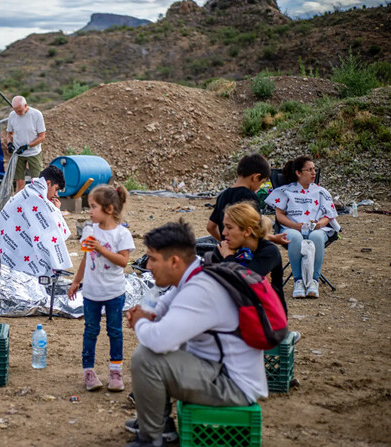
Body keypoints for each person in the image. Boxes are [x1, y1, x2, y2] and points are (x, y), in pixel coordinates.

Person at [124, 220, 267, 447]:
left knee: (146, 358)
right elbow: (160, 309)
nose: (148, 266)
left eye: (152, 259)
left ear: (174, 261)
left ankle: (151, 439)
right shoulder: (197, 273)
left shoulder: (200, 289)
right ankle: (161, 426)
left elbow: (159, 340)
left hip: (233, 385)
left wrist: (140, 322)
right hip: (219, 369)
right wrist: (144, 314)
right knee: (165, 343)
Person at [68, 184, 134, 392]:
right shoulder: (91, 231)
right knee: (91, 330)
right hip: (92, 293)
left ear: (109, 209)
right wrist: (77, 281)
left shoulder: (121, 235)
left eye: (93, 206)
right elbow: (87, 258)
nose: (90, 211)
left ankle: (116, 372)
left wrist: (100, 248)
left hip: (114, 292)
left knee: (114, 331)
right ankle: (89, 371)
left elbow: (123, 261)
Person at [264, 156, 339, 298]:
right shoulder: (286, 191)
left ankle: (313, 282)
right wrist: (295, 226)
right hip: (291, 227)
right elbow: (279, 215)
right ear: (298, 173)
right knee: (295, 237)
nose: (314, 173)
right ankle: (298, 281)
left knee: (316, 237)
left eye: (314, 169)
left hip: (317, 229)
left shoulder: (321, 191)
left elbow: (328, 215)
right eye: (309, 170)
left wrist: (320, 224)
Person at [0, 165, 71, 277]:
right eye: (56, 189)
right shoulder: (35, 199)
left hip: (4, 255)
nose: (56, 194)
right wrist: (56, 210)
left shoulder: (29, 191)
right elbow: (53, 230)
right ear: (48, 183)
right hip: (13, 257)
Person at [206, 154, 288, 246]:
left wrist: (225, 242)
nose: (260, 187)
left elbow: (210, 227)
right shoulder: (250, 197)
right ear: (255, 177)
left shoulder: (223, 195)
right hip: (246, 252)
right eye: (261, 182)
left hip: (228, 252)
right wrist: (273, 238)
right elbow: (255, 231)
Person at [6, 96, 46, 193]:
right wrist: (9, 144)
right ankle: (19, 201)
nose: (18, 113)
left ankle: (37, 201)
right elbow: (9, 133)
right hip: (18, 153)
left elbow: (42, 137)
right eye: (15, 111)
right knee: (19, 180)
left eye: (19, 111)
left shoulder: (36, 115)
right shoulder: (12, 115)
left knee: (37, 180)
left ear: (25, 105)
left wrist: (28, 146)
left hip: (33, 152)